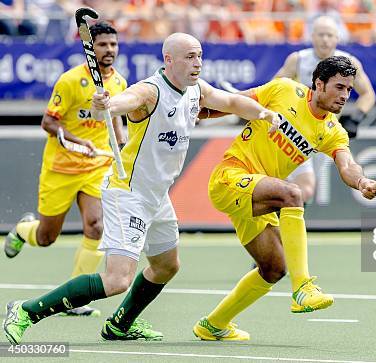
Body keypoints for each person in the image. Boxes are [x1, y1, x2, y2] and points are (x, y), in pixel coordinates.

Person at [2, 33, 281, 345]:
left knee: (166, 266)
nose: (197, 62)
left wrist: (263, 113)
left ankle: (120, 324)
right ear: (169, 60)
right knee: (117, 279)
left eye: (199, 55)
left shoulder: (195, 89)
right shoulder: (150, 91)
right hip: (128, 193)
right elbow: (122, 103)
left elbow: (228, 101)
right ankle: (26, 311)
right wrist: (104, 105)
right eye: (190, 56)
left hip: (157, 196)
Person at [192, 56, 376, 341]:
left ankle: (213, 324)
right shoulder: (284, 89)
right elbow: (232, 102)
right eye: (339, 87)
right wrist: (194, 114)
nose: (344, 96)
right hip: (230, 177)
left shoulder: (332, 131)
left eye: (349, 90)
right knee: (293, 193)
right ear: (319, 83)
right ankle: (303, 286)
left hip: (258, 195)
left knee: (272, 268)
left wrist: (362, 181)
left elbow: (347, 166)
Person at [3, 22, 127, 317]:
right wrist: (77, 140)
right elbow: (49, 123)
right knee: (46, 237)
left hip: (97, 166)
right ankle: (23, 229)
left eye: (113, 44)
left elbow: (116, 120)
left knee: (96, 225)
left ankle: (76, 296)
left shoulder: (119, 82)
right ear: (90, 48)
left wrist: (121, 143)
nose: (109, 50)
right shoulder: (71, 81)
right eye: (102, 45)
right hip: (61, 168)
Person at [275, 15, 375, 201]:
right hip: (295, 131)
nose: (325, 39)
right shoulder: (298, 59)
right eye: (321, 34)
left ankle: (289, 221)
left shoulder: (349, 63)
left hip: (324, 134)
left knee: (306, 190)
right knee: (293, 185)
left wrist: (355, 118)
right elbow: (275, 87)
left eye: (330, 35)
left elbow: (368, 94)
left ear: (337, 38)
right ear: (312, 37)